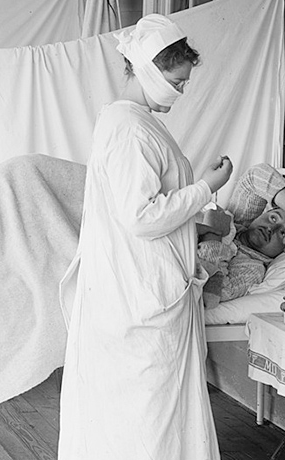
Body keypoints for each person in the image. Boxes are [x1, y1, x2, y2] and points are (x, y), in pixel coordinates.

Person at [58, 14, 231, 460]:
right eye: (177, 81)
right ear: (150, 71)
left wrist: (198, 218)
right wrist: (207, 187)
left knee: (153, 411)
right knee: (147, 413)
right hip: (139, 291)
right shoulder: (128, 128)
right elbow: (140, 217)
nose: (180, 91)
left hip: (141, 282)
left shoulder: (135, 121)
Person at [197, 162, 285, 303]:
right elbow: (255, 175)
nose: (271, 228)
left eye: (283, 233)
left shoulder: (253, 269)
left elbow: (214, 294)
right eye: (273, 218)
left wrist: (214, 235)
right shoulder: (239, 221)